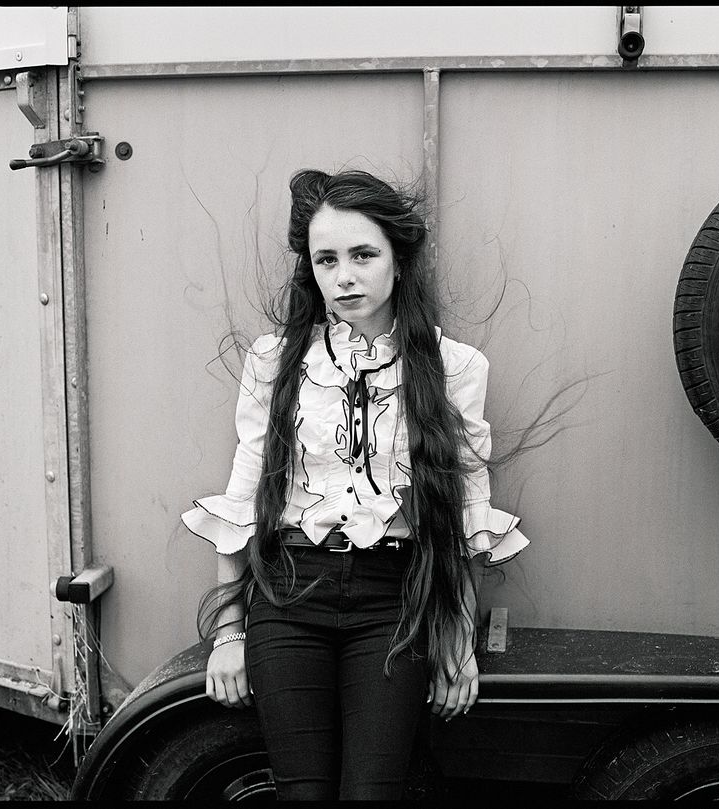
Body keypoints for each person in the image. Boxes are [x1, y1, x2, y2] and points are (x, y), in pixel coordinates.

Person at [181, 168, 529, 801]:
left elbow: (462, 512)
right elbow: (245, 502)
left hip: (393, 601)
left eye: (363, 255)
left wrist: (457, 634)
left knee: (373, 792)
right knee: (302, 793)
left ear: (399, 260)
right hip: (288, 595)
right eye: (326, 259)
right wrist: (229, 630)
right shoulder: (274, 360)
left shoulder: (455, 368)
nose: (344, 276)